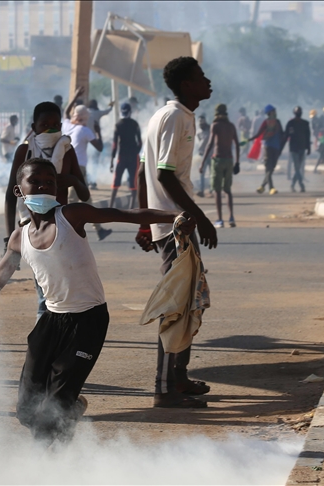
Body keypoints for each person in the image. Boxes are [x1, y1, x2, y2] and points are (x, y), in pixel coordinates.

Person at [0, 157, 196, 443]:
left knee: (55, 411)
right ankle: (70, 414)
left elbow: (126, 214)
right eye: (34, 181)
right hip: (50, 323)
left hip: (87, 321)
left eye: (49, 182)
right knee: (26, 411)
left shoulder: (71, 216)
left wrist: (175, 215)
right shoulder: (18, 238)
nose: (43, 186)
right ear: (18, 190)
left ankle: (54, 453)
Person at [135, 56, 217, 408]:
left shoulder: (167, 115)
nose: (208, 81)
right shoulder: (174, 117)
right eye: (201, 76)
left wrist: (145, 220)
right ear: (186, 84)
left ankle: (178, 377)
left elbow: (142, 171)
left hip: (171, 222)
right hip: (176, 225)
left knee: (188, 300)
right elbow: (163, 175)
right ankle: (165, 387)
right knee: (177, 306)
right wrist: (200, 217)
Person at [5, 101, 92, 321]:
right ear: (34, 127)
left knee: (66, 285)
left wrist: (71, 180)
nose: (51, 129)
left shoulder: (67, 150)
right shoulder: (25, 151)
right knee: (44, 291)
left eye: (55, 125)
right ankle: (44, 328)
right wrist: (9, 237)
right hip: (32, 227)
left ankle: (58, 327)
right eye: (45, 125)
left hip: (63, 229)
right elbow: (10, 195)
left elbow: (84, 194)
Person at [62, 103, 111, 241]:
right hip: (78, 168)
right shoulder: (84, 130)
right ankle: (64, 230)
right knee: (72, 199)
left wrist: (75, 97)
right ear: (85, 117)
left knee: (86, 198)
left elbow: (65, 112)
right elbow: (99, 147)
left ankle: (99, 229)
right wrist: (98, 131)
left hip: (66, 166)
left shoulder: (67, 126)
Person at [201, 103, 240, 227]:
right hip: (229, 160)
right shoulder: (231, 126)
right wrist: (237, 162)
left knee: (217, 191)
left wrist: (202, 162)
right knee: (227, 190)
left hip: (218, 159)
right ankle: (231, 217)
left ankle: (220, 219)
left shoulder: (215, 125)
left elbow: (210, 144)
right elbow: (237, 144)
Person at [110, 102, 142, 209]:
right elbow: (140, 142)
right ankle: (131, 209)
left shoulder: (118, 125)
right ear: (130, 112)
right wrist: (136, 152)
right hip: (133, 157)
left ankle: (110, 207)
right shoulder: (135, 124)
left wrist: (112, 160)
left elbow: (114, 145)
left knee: (116, 181)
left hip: (122, 156)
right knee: (133, 183)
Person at [249, 105, 284, 195]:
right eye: (274, 111)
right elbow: (258, 134)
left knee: (271, 168)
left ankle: (263, 186)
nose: (275, 112)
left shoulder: (278, 122)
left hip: (276, 148)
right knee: (269, 167)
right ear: (270, 113)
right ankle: (270, 188)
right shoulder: (266, 122)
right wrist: (249, 139)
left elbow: (282, 135)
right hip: (268, 147)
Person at [284, 106, 311, 192]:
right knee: (297, 167)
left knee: (298, 168)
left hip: (302, 148)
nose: (298, 113)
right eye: (297, 112)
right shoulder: (290, 123)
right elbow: (286, 136)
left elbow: (308, 136)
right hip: (294, 148)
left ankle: (292, 185)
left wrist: (309, 148)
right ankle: (301, 185)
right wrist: (280, 147)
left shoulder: (305, 123)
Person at [195, 113, 211, 197]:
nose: (201, 123)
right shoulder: (198, 131)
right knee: (202, 172)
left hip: (211, 154)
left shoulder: (210, 129)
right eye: (200, 122)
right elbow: (199, 142)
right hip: (202, 154)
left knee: (212, 172)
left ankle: (211, 190)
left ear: (205, 122)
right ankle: (201, 190)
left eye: (202, 121)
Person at [312, 107, 324, 173]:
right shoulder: (321, 119)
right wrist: (319, 138)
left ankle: (316, 168)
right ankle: (315, 169)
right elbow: (317, 129)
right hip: (322, 138)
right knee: (323, 154)